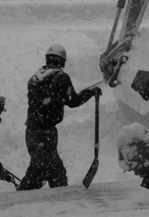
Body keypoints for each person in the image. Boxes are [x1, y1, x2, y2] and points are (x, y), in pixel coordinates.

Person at [18, 44, 100, 190]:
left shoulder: (34, 78)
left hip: (31, 132)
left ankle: (60, 198)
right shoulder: (61, 77)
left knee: (55, 171)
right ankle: (21, 200)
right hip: (45, 133)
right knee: (38, 173)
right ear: (61, 62)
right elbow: (73, 101)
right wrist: (90, 92)